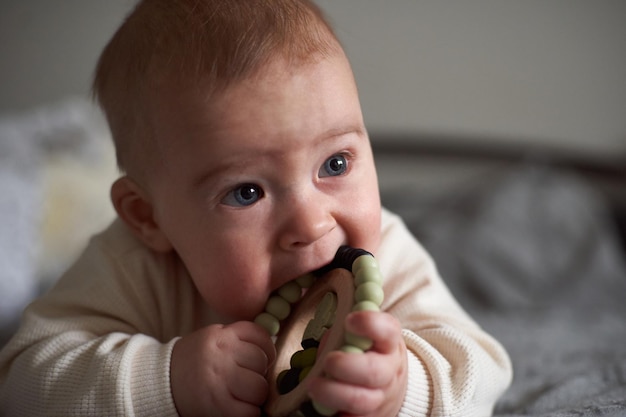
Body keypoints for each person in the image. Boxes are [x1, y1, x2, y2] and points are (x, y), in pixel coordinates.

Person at [0, 1, 512, 416]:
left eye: (335, 163)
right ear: (148, 218)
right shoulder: (132, 265)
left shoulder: (387, 255)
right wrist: (167, 379)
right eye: (247, 192)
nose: (312, 224)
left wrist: (405, 388)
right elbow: (23, 380)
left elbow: (482, 369)